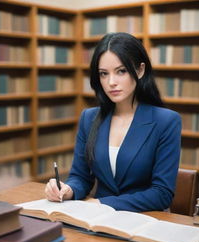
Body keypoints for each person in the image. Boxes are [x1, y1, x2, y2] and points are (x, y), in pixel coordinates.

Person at [45, 32, 181, 212]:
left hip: (145, 220)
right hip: (97, 221)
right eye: (103, 74)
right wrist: (68, 190)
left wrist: (103, 204)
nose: (111, 82)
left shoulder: (166, 121)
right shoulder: (89, 118)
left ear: (140, 70)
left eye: (121, 71)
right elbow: (80, 177)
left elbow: (161, 193)